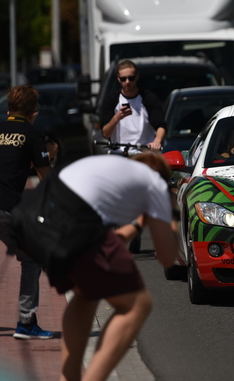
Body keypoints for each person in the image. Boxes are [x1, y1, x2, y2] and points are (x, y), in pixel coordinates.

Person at [9, 153, 178, 381]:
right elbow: (168, 257)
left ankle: (68, 378)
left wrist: (140, 222)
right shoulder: (155, 182)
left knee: (86, 294)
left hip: (35, 217)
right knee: (138, 305)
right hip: (74, 220)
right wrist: (171, 219)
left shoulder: (113, 171)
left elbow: (108, 243)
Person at [0, 85, 57, 340]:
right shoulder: (34, 135)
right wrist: (49, 157)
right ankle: (26, 322)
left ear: (9, 108)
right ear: (34, 112)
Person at [100, 60, 167, 154]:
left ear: (137, 77)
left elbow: (160, 125)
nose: (127, 82)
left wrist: (157, 141)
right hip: (119, 153)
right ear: (118, 79)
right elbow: (106, 134)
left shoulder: (149, 98)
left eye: (131, 78)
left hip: (143, 153)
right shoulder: (111, 100)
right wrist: (117, 117)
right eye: (123, 79)